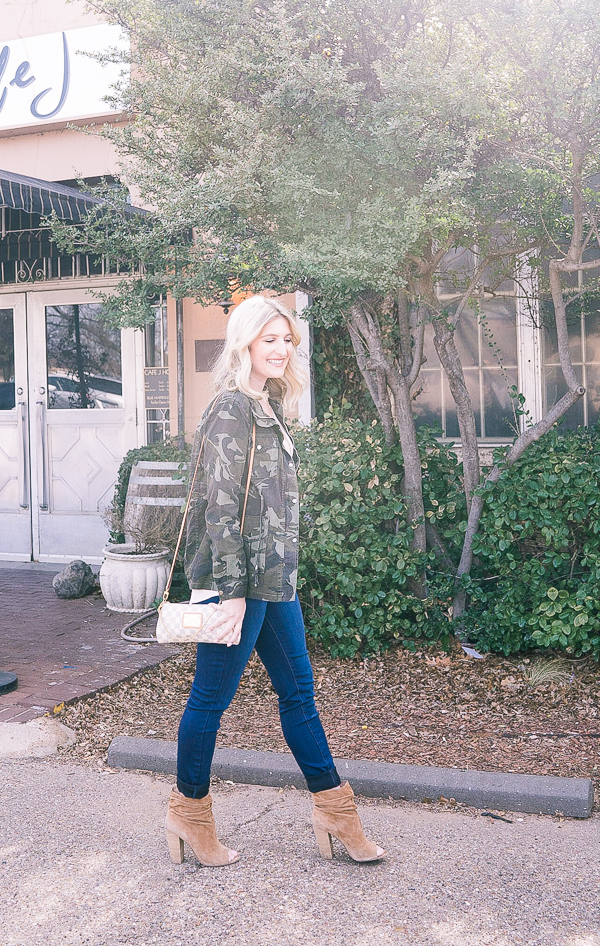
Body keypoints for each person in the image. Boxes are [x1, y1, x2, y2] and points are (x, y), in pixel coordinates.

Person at [165, 294, 385, 867]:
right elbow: (219, 509)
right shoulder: (231, 410)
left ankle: (336, 812)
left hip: (273, 583)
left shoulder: (265, 409)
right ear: (244, 343)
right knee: (210, 700)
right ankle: (188, 815)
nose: (283, 349)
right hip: (238, 586)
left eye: (288, 340)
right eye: (270, 339)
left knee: (298, 694)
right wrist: (232, 594)